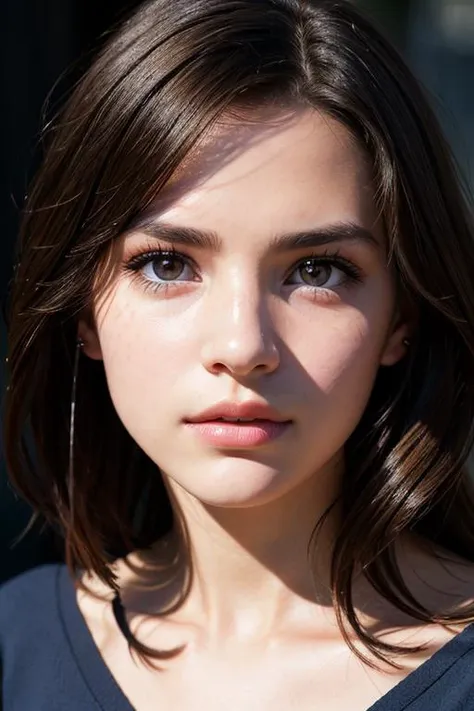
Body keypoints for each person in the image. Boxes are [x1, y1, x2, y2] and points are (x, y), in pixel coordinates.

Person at [2, 0, 474, 708]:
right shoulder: (15, 646)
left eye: (316, 270)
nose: (242, 345)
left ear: (401, 316)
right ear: (83, 309)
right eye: (167, 264)